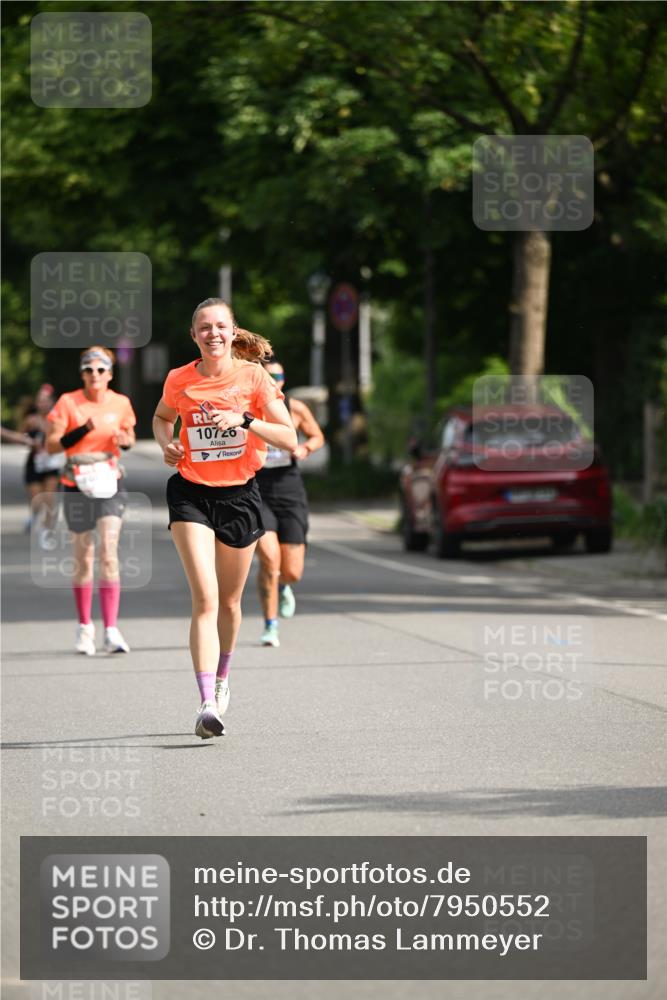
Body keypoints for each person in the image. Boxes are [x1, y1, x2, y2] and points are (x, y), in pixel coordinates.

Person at [152, 298, 297, 740]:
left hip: (240, 496)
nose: (213, 333)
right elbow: (162, 418)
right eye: (204, 327)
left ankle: (222, 677)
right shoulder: (179, 379)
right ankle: (205, 703)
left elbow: (290, 438)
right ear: (194, 335)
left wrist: (246, 420)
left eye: (220, 326)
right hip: (191, 493)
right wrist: (167, 444)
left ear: (233, 332)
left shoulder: (254, 377)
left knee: (231, 604)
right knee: (205, 598)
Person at [45, 347, 136, 656]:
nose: (94, 375)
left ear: (110, 374)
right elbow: (52, 445)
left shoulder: (121, 403)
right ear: (82, 374)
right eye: (88, 370)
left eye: (100, 370)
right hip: (75, 483)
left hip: (110, 481)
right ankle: (85, 627)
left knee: (109, 553)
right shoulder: (68, 402)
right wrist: (83, 429)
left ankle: (111, 629)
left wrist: (126, 441)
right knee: (84, 557)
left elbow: (129, 434)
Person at [254, 358, 324, 647]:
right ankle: (270, 625)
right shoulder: (250, 408)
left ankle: (284, 585)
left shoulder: (294, 407)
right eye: (268, 376)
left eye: (278, 375)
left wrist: (306, 447)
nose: (274, 380)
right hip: (257, 488)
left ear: (284, 380)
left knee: (292, 570)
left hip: (289, 489)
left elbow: (317, 435)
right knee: (270, 559)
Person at [19, 384, 64, 548]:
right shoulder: (30, 420)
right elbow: (19, 436)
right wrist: (29, 440)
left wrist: (45, 426)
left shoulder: (57, 419)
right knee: (37, 501)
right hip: (35, 464)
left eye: (46, 401)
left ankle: (46, 532)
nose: (43, 404)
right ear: (36, 403)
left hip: (52, 464)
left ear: (52, 402)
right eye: (40, 401)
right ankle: (33, 516)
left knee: (49, 499)